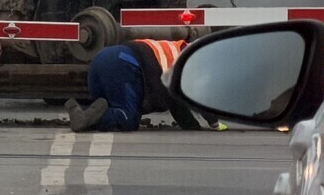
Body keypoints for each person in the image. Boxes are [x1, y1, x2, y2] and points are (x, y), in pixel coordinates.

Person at [65, 39, 221, 132]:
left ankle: (87, 112)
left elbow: (177, 104)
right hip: (123, 63)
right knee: (128, 119)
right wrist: (214, 123)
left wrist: (192, 127)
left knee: (114, 109)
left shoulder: (180, 51)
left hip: (101, 59)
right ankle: (85, 117)